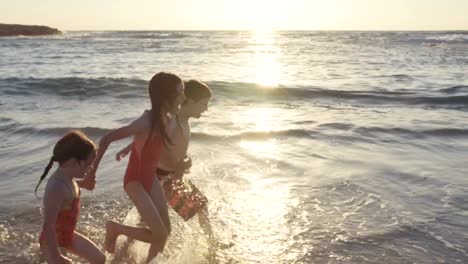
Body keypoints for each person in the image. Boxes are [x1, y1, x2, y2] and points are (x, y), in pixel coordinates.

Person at [88, 72, 185, 263]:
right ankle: (116, 229)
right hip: (135, 181)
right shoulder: (145, 121)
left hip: (151, 179)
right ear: (167, 96)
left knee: (165, 232)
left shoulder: (166, 118)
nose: (184, 96)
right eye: (181, 91)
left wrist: (129, 148)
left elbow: (146, 142)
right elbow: (107, 138)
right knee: (160, 233)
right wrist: (91, 174)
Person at [116, 80, 217, 254]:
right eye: (204, 104)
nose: (206, 109)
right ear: (190, 101)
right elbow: (150, 143)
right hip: (158, 178)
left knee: (200, 206)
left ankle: (212, 248)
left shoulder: (184, 121)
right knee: (151, 226)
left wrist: (185, 161)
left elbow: (176, 150)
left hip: (171, 178)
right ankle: (124, 250)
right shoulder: (171, 121)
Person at [37, 131, 105, 264]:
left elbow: (68, 192)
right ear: (74, 161)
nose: (90, 168)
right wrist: (56, 256)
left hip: (67, 235)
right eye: (87, 164)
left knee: (99, 259)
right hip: (52, 242)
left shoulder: (68, 179)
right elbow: (48, 226)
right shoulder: (56, 188)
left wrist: (83, 184)